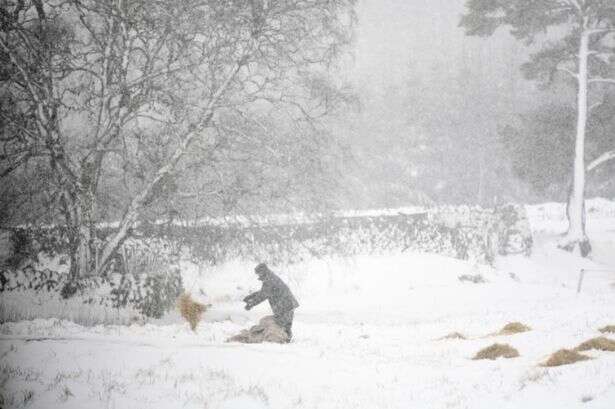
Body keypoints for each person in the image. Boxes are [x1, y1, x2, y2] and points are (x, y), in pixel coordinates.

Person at [243, 263, 299, 341]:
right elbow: (264, 292)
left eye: (259, 273)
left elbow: (263, 295)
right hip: (286, 304)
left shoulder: (269, 280)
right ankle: (286, 339)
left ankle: (284, 339)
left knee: (283, 324)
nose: (258, 275)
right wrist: (251, 296)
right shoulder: (270, 278)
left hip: (285, 305)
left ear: (263, 271)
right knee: (285, 324)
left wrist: (251, 304)